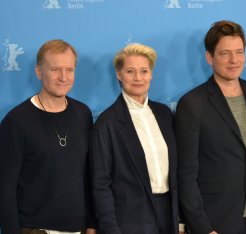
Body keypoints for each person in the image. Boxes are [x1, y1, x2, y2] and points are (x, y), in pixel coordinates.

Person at [175, 20, 246, 234]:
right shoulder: (192, 103)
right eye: (225, 53)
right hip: (214, 222)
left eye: (239, 52)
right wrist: (203, 228)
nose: (234, 60)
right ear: (209, 57)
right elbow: (186, 174)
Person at [0, 39, 96, 234]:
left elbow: (90, 175)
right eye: (55, 69)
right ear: (38, 72)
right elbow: (5, 188)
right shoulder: (16, 121)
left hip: (78, 229)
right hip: (34, 229)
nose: (63, 77)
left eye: (70, 70)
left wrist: (92, 224)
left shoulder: (83, 114)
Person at [90, 43, 179, 234]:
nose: (138, 78)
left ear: (151, 75)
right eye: (130, 71)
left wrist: (180, 221)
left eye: (144, 71)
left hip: (168, 215)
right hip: (130, 220)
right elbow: (100, 184)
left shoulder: (164, 114)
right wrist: (110, 229)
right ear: (119, 74)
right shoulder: (107, 123)